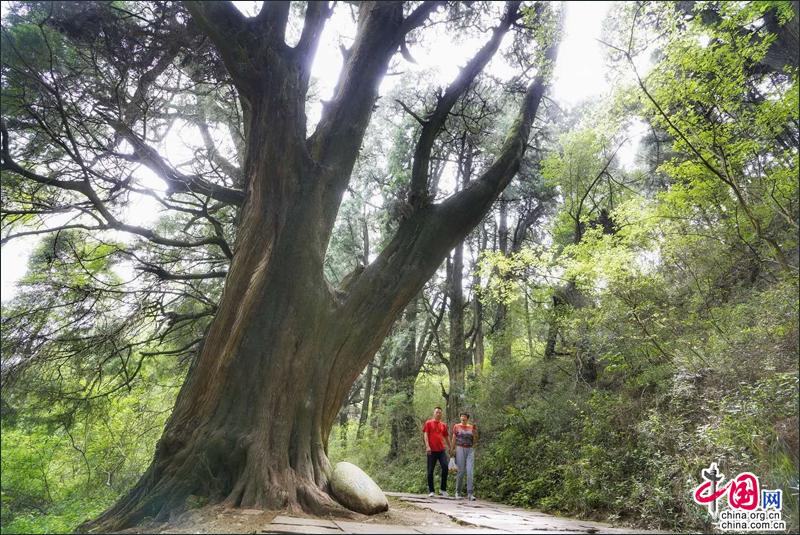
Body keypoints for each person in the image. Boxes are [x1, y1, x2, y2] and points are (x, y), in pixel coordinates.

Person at [422, 406, 452, 498]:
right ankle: (431, 491)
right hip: (431, 450)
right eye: (436, 412)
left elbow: (446, 437)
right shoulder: (428, 423)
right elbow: (426, 435)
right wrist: (427, 446)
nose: (438, 413)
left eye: (440, 412)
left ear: (441, 414)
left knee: (445, 467)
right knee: (430, 471)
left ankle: (443, 489)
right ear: (433, 413)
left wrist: (451, 447)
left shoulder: (443, 425)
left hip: (441, 450)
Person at [450, 411, 478, 501]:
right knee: (461, 471)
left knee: (470, 471)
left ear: (467, 418)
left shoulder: (471, 427)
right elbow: (454, 438)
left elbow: (475, 440)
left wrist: (474, 432)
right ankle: (458, 492)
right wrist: (452, 449)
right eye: (461, 416)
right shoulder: (456, 426)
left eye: (464, 416)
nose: (463, 418)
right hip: (460, 448)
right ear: (460, 417)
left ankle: (470, 494)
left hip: (470, 449)